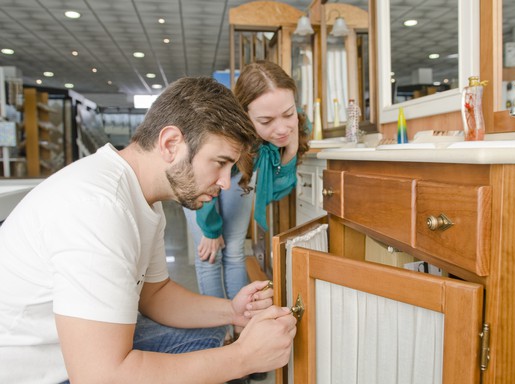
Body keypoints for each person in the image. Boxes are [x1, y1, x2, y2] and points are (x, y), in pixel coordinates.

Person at [0, 76, 297, 384]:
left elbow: (154, 295)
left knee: (213, 336)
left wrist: (233, 312)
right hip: (39, 373)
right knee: (220, 360)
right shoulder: (99, 208)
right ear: (170, 144)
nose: (224, 182)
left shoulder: (142, 197)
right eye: (219, 163)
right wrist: (243, 358)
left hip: (69, 353)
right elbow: (98, 377)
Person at [183, 60, 310, 305]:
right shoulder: (220, 129)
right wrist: (210, 228)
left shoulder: (293, 124)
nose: (282, 128)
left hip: (238, 176)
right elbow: (200, 175)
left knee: (234, 251)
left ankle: (241, 324)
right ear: (245, 115)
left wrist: (291, 151)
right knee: (210, 254)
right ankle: (219, 331)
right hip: (198, 179)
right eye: (266, 121)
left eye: (288, 114)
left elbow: (278, 189)